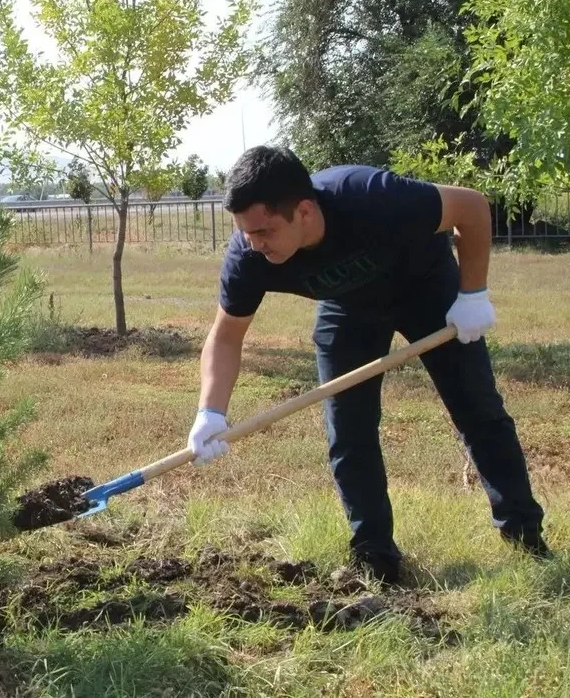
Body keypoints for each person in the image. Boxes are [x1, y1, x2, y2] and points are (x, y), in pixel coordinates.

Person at [186, 146, 549, 585]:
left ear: (304, 210)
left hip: (426, 289)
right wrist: (210, 411)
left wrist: (472, 295)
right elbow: (226, 336)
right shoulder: (250, 257)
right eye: (246, 233)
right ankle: (375, 555)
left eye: (264, 231)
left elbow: (470, 206)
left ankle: (524, 534)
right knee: (349, 431)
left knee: (478, 409)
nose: (254, 243)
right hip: (349, 308)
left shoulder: (371, 197)